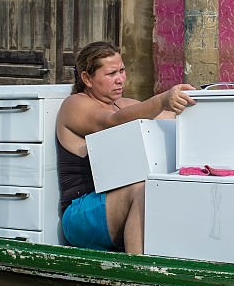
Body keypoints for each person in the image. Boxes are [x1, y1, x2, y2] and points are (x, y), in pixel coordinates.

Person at [56, 41, 195, 254]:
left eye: (122, 70)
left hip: (116, 207)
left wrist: (200, 103)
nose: (120, 79)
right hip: (80, 212)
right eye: (111, 73)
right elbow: (111, 121)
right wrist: (162, 100)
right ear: (87, 79)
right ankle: (138, 273)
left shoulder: (125, 104)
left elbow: (173, 116)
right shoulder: (75, 104)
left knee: (171, 183)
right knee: (143, 188)